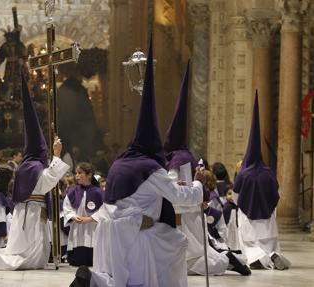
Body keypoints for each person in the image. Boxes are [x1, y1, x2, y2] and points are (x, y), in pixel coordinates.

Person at [71, 37, 203, 287]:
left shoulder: (120, 161)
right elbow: (179, 197)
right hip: (136, 233)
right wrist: (197, 186)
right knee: (175, 245)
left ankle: (93, 280)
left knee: (119, 279)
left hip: (109, 231)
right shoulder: (151, 169)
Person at [161, 62, 249, 277]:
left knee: (189, 262)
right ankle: (223, 258)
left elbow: (179, 190)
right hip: (187, 213)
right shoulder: (179, 156)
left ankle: (225, 261)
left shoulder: (180, 159)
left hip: (185, 215)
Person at [0, 75, 70, 270]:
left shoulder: (26, 165)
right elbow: (46, 182)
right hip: (32, 215)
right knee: (27, 259)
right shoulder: (33, 166)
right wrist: (57, 156)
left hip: (30, 213)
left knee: (33, 257)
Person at [234, 93, 291, 270]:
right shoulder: (268, 173)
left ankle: (256, 257)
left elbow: (236, 196)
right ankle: (274, 256)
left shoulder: (243, 174)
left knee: (251, 246)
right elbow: (277, 195)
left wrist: (246, 205)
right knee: (270, 246)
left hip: (249, 222)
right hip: (267, 222)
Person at [62, 162, 103, 267]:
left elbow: (105, 210)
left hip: (92, 227)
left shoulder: (99, 192)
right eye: (76, 173)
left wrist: (90, 219)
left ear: (89, 175)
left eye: (80, 173)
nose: (77, 176)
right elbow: (67, 207)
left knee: (93, 261)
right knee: (77, 262)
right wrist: (73, 217)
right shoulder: (73, 191)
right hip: (78, 227)